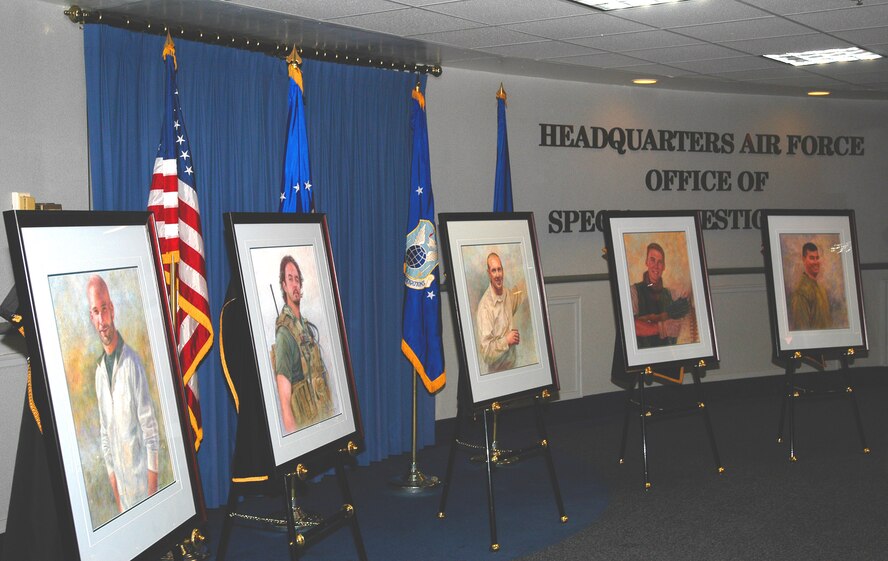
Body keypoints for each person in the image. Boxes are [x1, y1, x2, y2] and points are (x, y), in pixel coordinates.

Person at [87, 274, 159, 513]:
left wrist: (152, 495)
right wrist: (118, 499)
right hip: (124, 502)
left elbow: (150, 432)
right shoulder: (99, 374)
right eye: (95, 311)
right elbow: (105, 438)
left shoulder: (132, 363)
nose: (101, 319)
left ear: (112, 310)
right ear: (91, 317)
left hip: (143, 490)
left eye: (104, 309)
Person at [273, 256, 333, 434]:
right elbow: (284, 400)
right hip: (304, 424)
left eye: (297, 279)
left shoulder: (306, 328)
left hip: (321, 416)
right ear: (283, 285)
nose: (295, 285)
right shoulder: (285, 334)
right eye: (290, 279)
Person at [631, 243, 691, 348]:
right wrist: (662, 328)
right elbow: (630, 326)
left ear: (663, 267)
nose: (656, 266)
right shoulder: (634, 291)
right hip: (642, 358)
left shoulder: (670, 294)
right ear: (647, 262)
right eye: (652, 260)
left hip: (668, 357)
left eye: (660, 262)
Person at [476, 252, 527, 373]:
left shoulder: (508, 295)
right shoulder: (485, 308)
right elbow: (486, 354)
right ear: (489, 273)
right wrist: (507, 341)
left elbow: (518, 293)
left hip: (513, 370)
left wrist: (530, 274)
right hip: (497, 374)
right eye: (494, 271)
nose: (498, 275)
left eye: (499, 269)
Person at [789, 242, 832, 330]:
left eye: (817, 258)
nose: (816, 262)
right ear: (804, 259)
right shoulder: (801, 292)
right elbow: (802, 330)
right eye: (812, 258)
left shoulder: (822, 289)